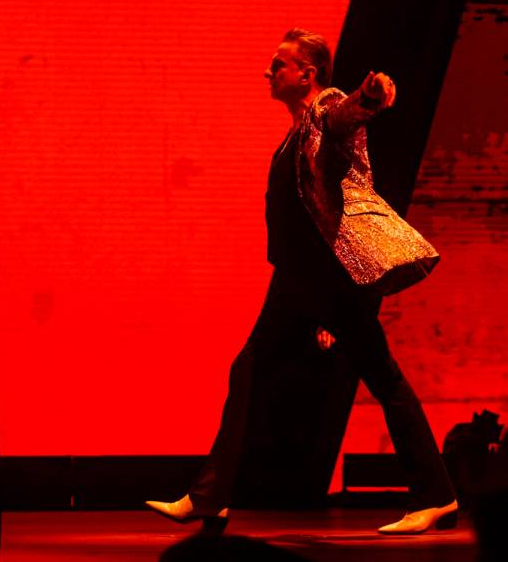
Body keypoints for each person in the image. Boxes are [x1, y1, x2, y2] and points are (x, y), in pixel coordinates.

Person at [145, 29, 457, 535]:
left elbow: (345, 115)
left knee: (362, 376)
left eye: (278, 65)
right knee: (270, 371)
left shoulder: (324, 109)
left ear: (306, 76)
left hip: (323, 277)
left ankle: (435, 494)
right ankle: (210, 496)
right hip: (304, 280)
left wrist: (370, 96)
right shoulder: (294, 133)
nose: (269, 73)